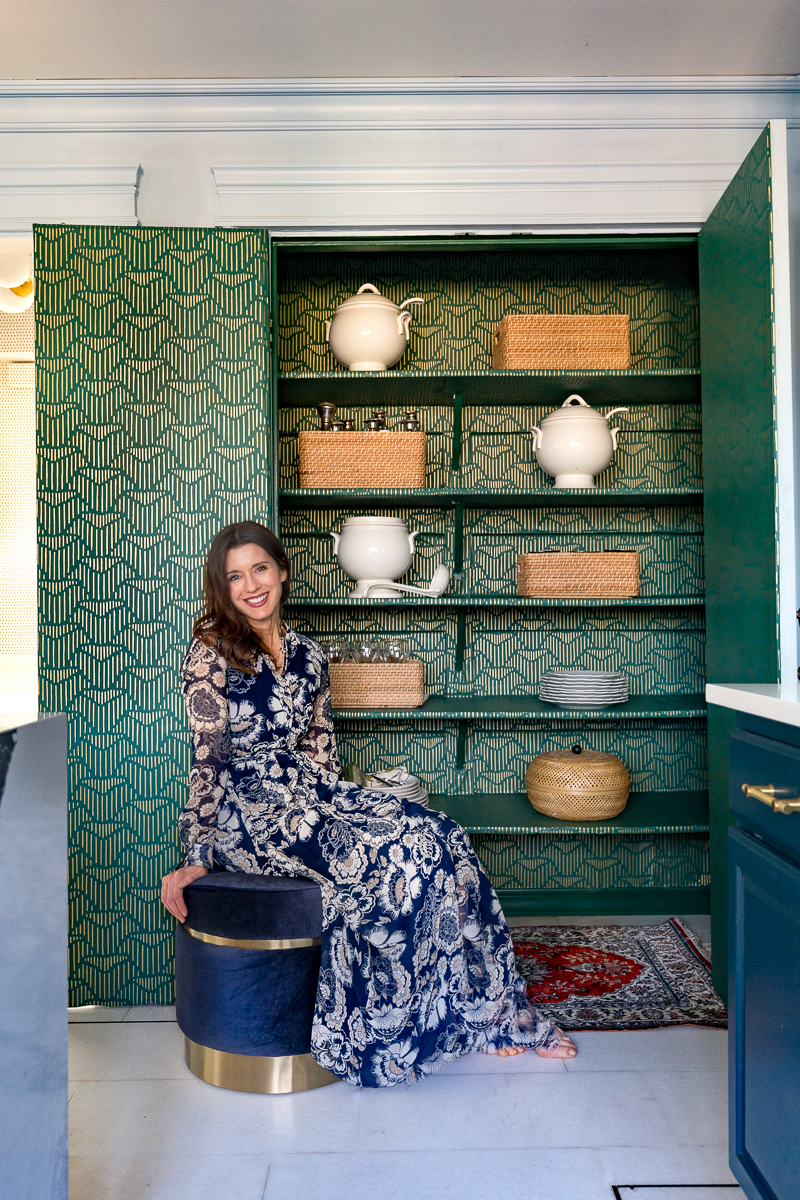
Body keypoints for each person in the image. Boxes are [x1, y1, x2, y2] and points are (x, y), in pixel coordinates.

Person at [161, 520, 576, 1086]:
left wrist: (349, 805)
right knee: (389, 857)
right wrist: (197, 852)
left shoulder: (308, 653)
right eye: (234, 576)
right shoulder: (211, 652)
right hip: (251, 810)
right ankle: (388, 1036)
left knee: (442, 834)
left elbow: (321, 748)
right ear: (222, 587)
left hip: (312, 792)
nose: (251, 585)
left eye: (260, 568)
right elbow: (206, 758)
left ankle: (491, 1013)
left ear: (282, 571)